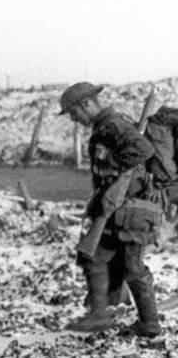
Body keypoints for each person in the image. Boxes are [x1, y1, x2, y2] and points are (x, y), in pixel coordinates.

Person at [58, 82, 161, 337]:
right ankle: (99, 315)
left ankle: (149, 325)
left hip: (132, 212)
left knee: (133, 268)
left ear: (87, 104)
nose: (74, 118)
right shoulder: (104, 127)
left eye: (74, 112)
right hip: (115, 210)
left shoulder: (113, 125)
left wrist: (116, 167)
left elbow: (144, 150)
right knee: (94, 257)